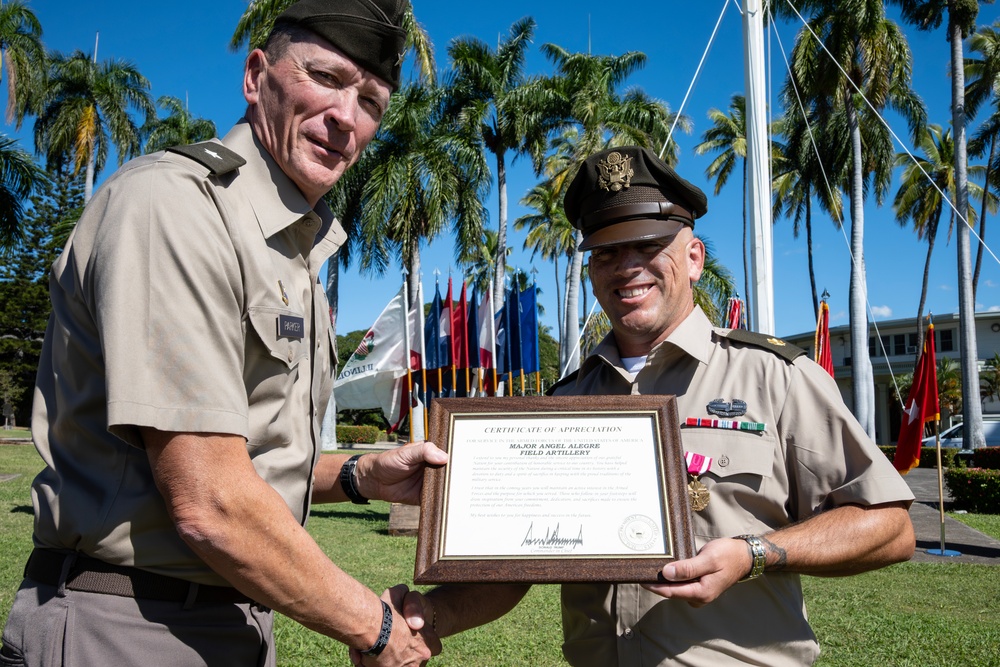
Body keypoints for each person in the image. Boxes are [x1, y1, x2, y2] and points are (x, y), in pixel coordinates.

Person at [0, 1, 446, 665]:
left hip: (231, 623)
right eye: (324, 77)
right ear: (255, 74)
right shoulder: (177, 209)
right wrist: (377, 628)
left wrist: (361, 475)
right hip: (126, 624)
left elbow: (238, 454)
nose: (347, 119)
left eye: (372, 101)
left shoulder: (290, 253)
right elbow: (208, 497)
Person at [402, 145, 916, 666]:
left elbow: (890, 527)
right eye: (604, 252)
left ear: (693, 258)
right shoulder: (563, 403)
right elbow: (519, 566)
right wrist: (432, 619)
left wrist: (754, 554)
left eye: (648, 245)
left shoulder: (774, 377)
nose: (626, 267)